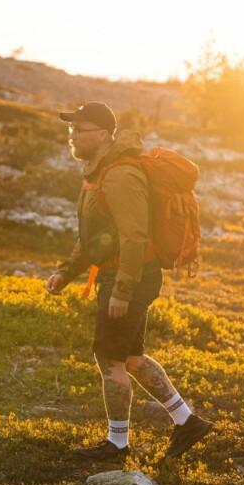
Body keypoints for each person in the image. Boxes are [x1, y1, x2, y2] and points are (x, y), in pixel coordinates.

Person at [45, 101, 213, 461]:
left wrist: (122, 289)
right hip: (125, 275)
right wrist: (66, 271)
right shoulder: (98, 172)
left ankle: (117, 445)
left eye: (80, 130)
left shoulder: (120, 175)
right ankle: (188, 422)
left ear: (104, 135)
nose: (72, 136)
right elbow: (95, 235)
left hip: (130, 277)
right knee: (132, 358)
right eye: (70, 130)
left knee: (110, 359)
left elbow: (134, 237)